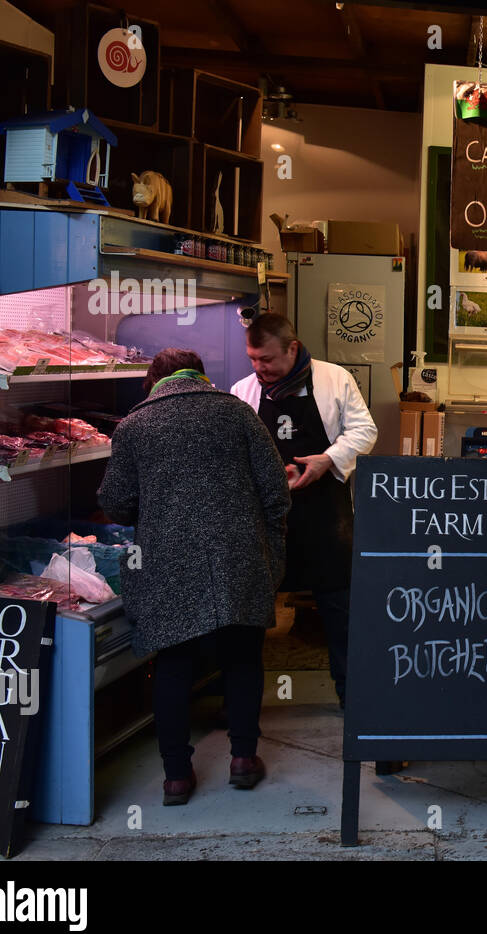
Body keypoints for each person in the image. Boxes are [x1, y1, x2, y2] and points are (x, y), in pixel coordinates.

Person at [98, 348, 290, 806]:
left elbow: (116, 503)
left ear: (153, 381)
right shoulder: (239, 413)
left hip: (167, 565)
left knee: (173, 665)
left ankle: (176, 778)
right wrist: (272, 550)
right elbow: (276, 492)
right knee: (242, 657)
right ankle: (243, 759)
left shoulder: (134, 426)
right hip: (238, 558)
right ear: (201, 376)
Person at [231, 313, 377, 711]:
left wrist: (327, 460)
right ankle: (242, 708)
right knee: (251, 618)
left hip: (325, 519)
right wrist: (267, 474)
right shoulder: (242, 391)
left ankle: (354, 699)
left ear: (292, 348)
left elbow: (365, 430)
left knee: (341, 614)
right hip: (267, 524)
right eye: (253, 359)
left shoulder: (334, 379)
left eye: (267, 360)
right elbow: (235, 453)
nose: (259, 369)